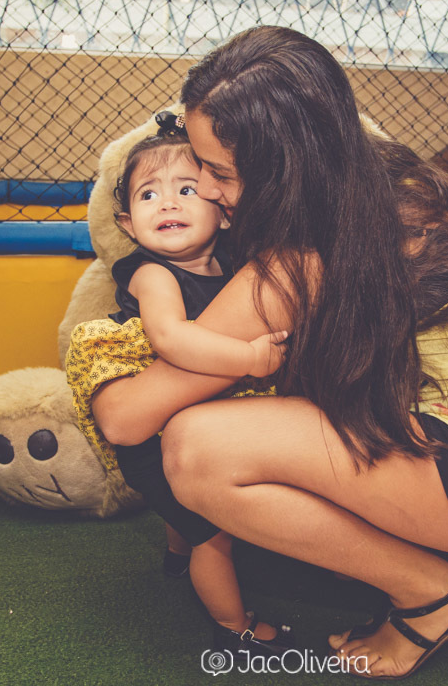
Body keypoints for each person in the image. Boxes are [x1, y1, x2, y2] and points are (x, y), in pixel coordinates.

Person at [90, 26, 448, 679]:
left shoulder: (303, 260)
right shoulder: (388, 181)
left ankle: (432, 592)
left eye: (218, 172)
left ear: (282, 171)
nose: (202, 189)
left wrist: (95, 357)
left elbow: (127, 419)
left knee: (195, 450)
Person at [65, 116, 293, 654]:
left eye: (186, 190)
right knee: (214, 536)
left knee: (183, 510)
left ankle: (174, 551)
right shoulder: (152, 274)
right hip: (151, 439)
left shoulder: (235, 265)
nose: (167, 203)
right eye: (148, 195)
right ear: (128, 223)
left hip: (186, 425)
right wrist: (249, 358)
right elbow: (170, 339)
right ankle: (234, 629)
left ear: (224, 210)